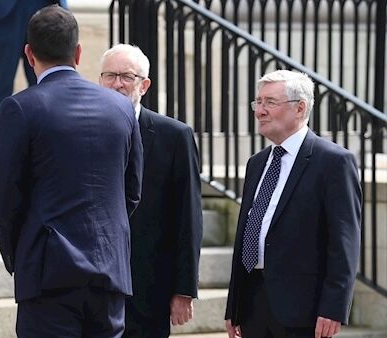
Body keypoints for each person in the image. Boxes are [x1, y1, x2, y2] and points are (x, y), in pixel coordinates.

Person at [0, 6, 143, 337]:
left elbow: (3, 198)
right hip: (109, 269)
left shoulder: (19, 107)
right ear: (78, 52)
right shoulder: (120, 107)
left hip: (47, 274)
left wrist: (22, 256)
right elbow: (132, 191)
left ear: (28, 54)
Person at [224, 70, 361, 338]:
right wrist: (234, 307)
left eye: (270, 103)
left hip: (303, 311)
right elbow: (245, 236)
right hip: (253, 305)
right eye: (258, 102)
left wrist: (334, 307)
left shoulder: (333, 162)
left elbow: (344, 243)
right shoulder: (256, 163)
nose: (260, 111)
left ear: (300, 108)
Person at [99, 44, 203, 338]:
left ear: (144, 85)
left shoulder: (174, 136)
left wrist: (184, 289)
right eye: (110, 76)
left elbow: (188, 217)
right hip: (94, 284)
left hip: (148, 287)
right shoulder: (82, 130)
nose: (117, 83)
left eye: (127, 77)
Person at [0, 0, 68, 157]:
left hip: (46, 8)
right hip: (6, 13)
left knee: (46, 83)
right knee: (2, 85)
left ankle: (46, 150)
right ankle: (2, 153)